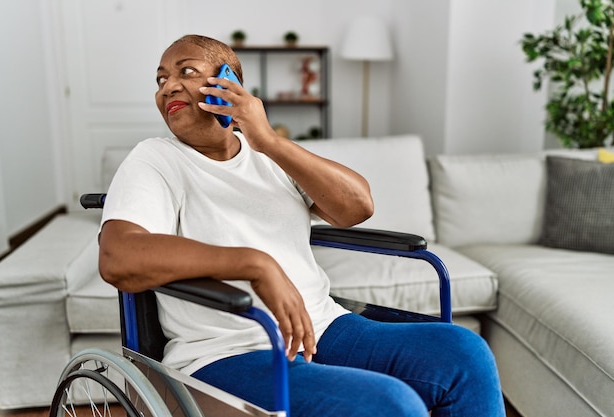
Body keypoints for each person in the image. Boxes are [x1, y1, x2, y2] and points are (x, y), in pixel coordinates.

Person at [98, 34, 506, 417]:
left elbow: (357, 207)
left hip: (323, 326)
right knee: (389, 404)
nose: (167, 87)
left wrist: (270, 141)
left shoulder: (270, 157)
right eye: (160, 79)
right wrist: (254, 264)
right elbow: (118, 256)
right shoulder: (155, 159)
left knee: (462, 354)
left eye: (185, 71)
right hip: (226, 352)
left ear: (230, 84)